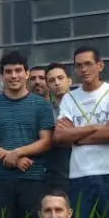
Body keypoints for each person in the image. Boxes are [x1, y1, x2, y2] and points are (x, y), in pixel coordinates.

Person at [0, 52, 54, 218]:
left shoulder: (42, 105)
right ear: (2, 76)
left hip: (33, 178)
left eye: (18, 70)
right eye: (8, 71)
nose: (13, 76)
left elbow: (46, 141)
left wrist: (17, 153)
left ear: (26, 73)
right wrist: (12, 158)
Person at [56, 45, 109, 218]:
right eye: (79, 65)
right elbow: (60, 136)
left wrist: (76, 137)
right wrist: (95, 127)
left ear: (100, 65)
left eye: (88, 64)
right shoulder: (69, 98)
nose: (83, 69)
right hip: (79, 174)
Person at [44, 63, 73, 194]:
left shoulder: (82, 106)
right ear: (47, 85)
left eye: (60, 78)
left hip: (83, 168)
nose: (56, 83)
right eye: (51, 80)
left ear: (69, 80)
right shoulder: (45, 110)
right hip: (56, 173)